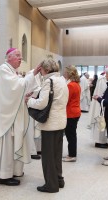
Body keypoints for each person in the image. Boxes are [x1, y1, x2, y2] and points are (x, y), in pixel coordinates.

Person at [0, 48, 41, 186]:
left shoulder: (11, 71)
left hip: (11, 115)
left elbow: (16, 91)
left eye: (20, 56)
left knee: (14, 143)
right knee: (7, 146)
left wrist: (24, 95)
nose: (20, 59)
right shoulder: (4, 69)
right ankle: (3, 176)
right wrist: (33, 73)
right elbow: (15, 87)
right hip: (5, 119)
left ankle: (14, 171)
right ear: (8, 57)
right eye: (17, 56)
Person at [26, 58, 68, 193]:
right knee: (56, 154)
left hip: (50, 123)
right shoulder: (61, 80)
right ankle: (58, 180)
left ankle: (51, 185)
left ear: (47, 70)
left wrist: (29, 101)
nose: (41, 72)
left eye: (41, 70)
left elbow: (42, 104)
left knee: (48, 156)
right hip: (60, 122)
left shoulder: (49, 81)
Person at [62, 65, 81, 162]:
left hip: (71, 113)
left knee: (71, 135)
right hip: (75, 112)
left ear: (69, 73)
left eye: (65, 72)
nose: (64, 73)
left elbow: (66, 99)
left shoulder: (71, 85)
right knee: (72, 134)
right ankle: (72, 153)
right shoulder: (76, 84)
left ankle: (72, 155)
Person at [88, 71, 108, 148]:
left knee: (103, 125)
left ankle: (103, 141)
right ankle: (100, 141)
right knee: (100, 124)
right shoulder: (103, 80)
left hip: (102, 104)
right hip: (101, 106)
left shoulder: (103, 80)